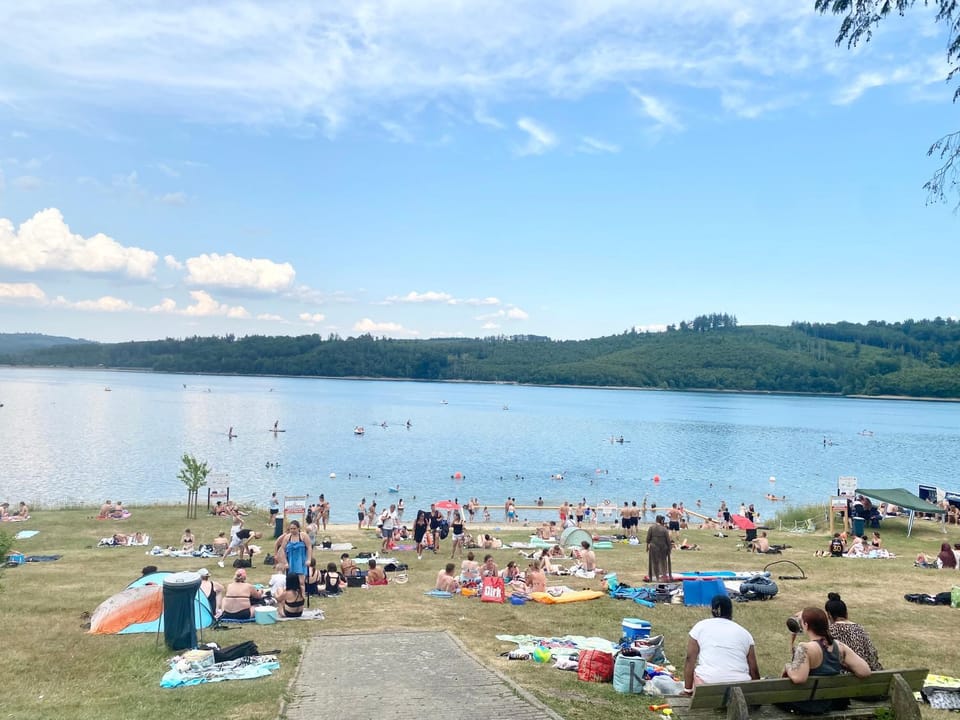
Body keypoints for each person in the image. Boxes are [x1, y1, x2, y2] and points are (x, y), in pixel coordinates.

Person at [781, 607, 871, 714]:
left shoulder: (804, 648)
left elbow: (798, 678)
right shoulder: (839, 646)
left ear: (806, 625)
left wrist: (787, 666)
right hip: (833, 702)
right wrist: (842, 664)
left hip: (809, 704)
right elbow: (865, 671)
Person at [682, 594, 760, 694]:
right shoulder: (745, 634)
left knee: (699, 675)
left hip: (707, 685)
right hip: (741, 687)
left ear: (712, 610)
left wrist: (687, 690)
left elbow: (690, 659)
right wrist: (757, 693)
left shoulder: (700, 627)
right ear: (731, 611)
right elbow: (753, 669)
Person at [824, 592, 882, 670]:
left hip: (847, 677)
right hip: (872, 674)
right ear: (846, 613)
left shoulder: (831, 631)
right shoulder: (860, 628)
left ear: (829, 615)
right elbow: (872, 654)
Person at [276, 520, 313, 593]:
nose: (292, 530)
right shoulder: (287, 537)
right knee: (291, 582)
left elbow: (309, 547)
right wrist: (285, 562)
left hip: (301, 561)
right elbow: (282, 549)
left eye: (294, 528)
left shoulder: (303, 536)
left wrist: (309, 559)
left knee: (301, 582)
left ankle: (302, 597)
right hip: (291, 561)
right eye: (291, 529)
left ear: (298, 528)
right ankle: (292, 597)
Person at [646, 515, 673, 581]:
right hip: (663, 548)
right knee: (663, 562)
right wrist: (669, 548)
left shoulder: (651, 528)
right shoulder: (664, 529)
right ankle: (663, 575)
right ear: (661, 521)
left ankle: (655, 576)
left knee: (654, 562)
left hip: (653, 547)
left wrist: (647, 547)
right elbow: (668, 540)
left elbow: (648, 539)